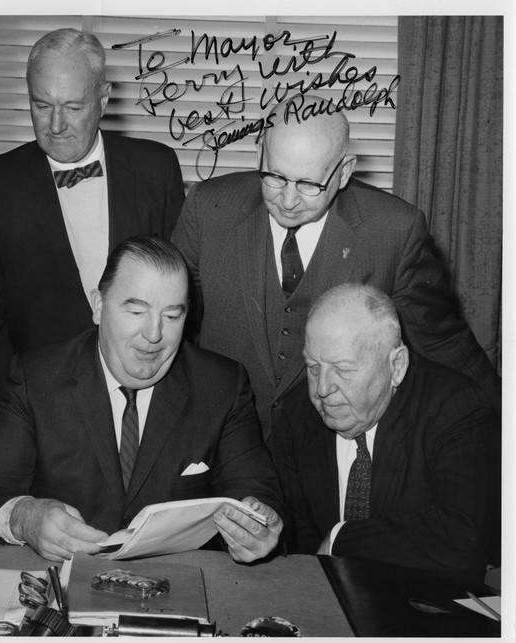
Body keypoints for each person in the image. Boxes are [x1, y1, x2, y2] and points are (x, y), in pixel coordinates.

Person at [171, 95, 500, 443]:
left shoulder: (394, 231)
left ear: (344, 172)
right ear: (259, 155)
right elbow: (169, 323)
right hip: (223, 441)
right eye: (276, 177)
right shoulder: (208, 208)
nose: (288, 200)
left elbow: (445, 344)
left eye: (309, 184)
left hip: (331, 454)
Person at [0, 235, 284, 564]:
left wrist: (259, 529)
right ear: (98, 306)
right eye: (137, 310)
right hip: (62, 588)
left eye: (172, 316)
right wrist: (26, 517)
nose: (154, 335)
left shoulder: (222, 385)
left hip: (179, 593)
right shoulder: (36, 377)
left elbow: (259, 494)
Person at [0, 28, 185, 392]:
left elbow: (186, 294)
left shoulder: (156, 169)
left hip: (148, 389)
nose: (56, 125)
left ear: (104, 99)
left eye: (73, 107)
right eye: (42, 105)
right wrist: (19, 400)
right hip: (41, 395)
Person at [273, 283, 499, 581]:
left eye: (343, 369)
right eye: (313, 367)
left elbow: (460, 538)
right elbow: (299, 538)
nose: (323, 389)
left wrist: (342, 539)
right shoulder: (295, 414)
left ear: (396, 366)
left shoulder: (456, 407)